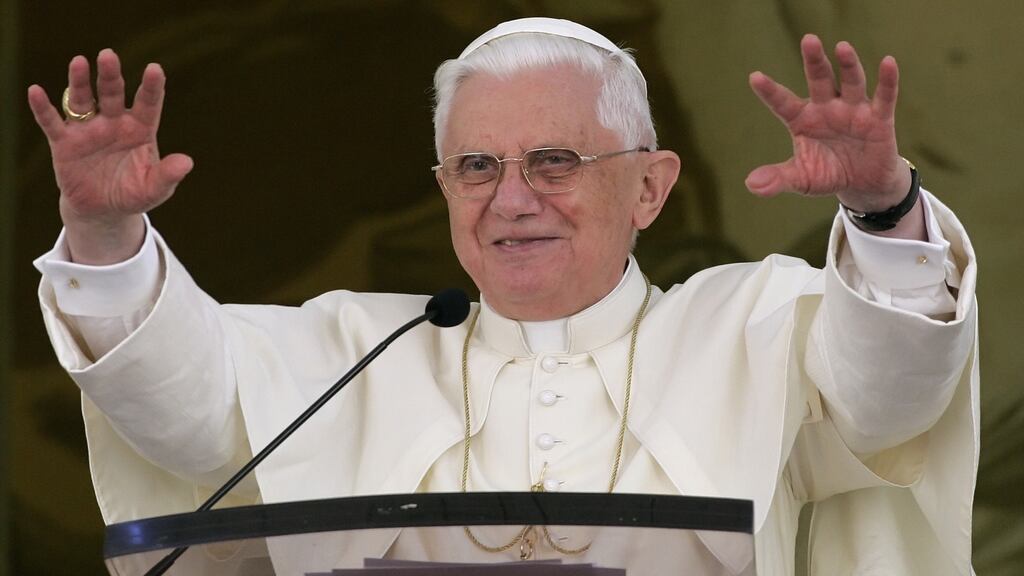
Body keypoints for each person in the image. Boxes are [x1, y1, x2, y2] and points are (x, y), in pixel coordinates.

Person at [28, 17, 977, 576]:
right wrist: (107, 238)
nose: (511, 199)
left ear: (650, 187)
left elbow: (890, 397)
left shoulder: (754, 326)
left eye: (555, 162)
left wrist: (884, 208)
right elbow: (186, 416)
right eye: (476, 165)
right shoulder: (356, 345)